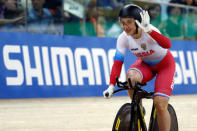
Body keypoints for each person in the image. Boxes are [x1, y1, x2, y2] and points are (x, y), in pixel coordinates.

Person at [103, 4, 175, 131]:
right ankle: (138, 108)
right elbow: (118, 62)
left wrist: (149, 31)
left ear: (138, 22)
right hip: (146, 65)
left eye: (129, 22)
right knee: (130, 77)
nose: (125, 27)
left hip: (165, 65)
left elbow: (167, 44)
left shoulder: (150, 30)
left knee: (159, 104)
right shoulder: (123, 38)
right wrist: (111, 85)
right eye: (122, 22)